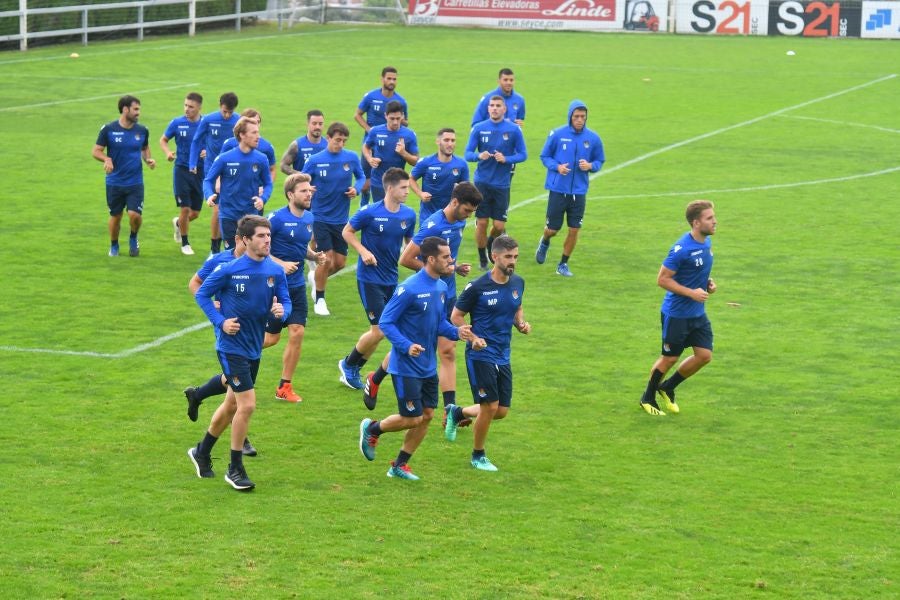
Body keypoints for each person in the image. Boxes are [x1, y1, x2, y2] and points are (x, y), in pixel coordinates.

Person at [357, 236, 475, 481]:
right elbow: (386, 322)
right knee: (412, 418)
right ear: (430, 259)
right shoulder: (409, 288)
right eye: (445, 257)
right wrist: (406, 345)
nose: (451, 260)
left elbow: (439, 322)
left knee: (428, 415)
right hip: (405, 366)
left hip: (428, 366)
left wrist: (457, 332)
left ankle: (400, 465)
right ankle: (373, 428)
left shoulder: (441, 287)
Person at [363, 182, 482, 419]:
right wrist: (436, 275)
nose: (469, 216)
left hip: (446, 293)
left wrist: (454, 267)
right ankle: (375, 378)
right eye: (467, 210)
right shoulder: (433, 225)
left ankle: (449, 411)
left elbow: (445, 259)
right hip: (426, 294)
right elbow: (406, 259)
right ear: (455, 202)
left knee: (447, 351)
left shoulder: (459, 222)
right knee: (415, 346)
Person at [188, 215, 291, 491]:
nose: (267, 240)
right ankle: (235, 468)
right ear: (245, 240)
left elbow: (286, 300)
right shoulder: (229, 270)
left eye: (268, 236)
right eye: (261, 236)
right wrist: (220, 322)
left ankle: (201, 452)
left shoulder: (275, 270)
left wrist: (282, 311)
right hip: (230, 347)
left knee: (232, 405)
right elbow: (201, 294)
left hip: (253, 347)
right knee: (247, 405)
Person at [445, 235, 530, 472]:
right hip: (480, 354)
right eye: (508, 257)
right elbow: (456, 316)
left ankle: (457, 412)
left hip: (503, 353)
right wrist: (473, 338)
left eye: (516, 257)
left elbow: (517, 306)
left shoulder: (518, 282)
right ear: (494, 257)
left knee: (500, 411)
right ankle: (478, 455)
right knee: (490, 406)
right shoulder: (477, 287)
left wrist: (521, 323)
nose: (513, 262)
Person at [338, 168, 417, 390]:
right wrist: (363, 252)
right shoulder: (369, 212)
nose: (407, 191)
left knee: (382, 331)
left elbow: (410, 243)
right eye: (403, 187)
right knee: (380, 329)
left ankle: (353, 366)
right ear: (389, 188)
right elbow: (347, 232)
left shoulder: (409, 215)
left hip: (391, 278)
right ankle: (348, 365)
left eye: (408, 187)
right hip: (369, 278)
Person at [183, 232, 258, 458]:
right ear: (239, 239)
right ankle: (239, 441)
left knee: (237, 381)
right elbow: (195, 283)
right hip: (228, 329)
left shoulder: (259, 262)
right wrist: (212, 306)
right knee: (241, 391)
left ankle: (198, 395)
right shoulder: (219, 261)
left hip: (250, 329)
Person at [639, 200, 718, 416]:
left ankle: (668, 387)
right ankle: (647, 398)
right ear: (696, 223)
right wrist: (692, 293)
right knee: (670, 358)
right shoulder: (681, 249)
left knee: (704, 356)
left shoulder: (706, 243)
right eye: (709, 218)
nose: (715, 221)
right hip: (677, 314)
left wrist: (707, 283)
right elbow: (662, 279)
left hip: (697, 313)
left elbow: (694, 272)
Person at [263, 173, 327, 402]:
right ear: (290, 194)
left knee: (297, 331)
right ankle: (236, 350)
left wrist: (313, 255)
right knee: (271, 339)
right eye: (303, 191)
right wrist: (280, 264)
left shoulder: (309, 218)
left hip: (297, 287)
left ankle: (284, 387)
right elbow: (258, 249)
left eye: (310, 190)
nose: (309, 194)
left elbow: (300, 245)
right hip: (274, 288)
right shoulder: (275, 219)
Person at [535, 100, 605, 277]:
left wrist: (590, 166)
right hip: (558, 190)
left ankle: (563, 264)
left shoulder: (593, 138)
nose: (580, 120)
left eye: (583, 116)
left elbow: (599, 160)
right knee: (553, 230)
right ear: (570, 117)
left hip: (579, 192)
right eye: (576, 116)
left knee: (574, 229)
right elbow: (544, 156)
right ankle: (545, 240)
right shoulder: (557, 134)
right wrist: (557, 167)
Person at [301, 122, 365, 316]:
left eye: (344, 140)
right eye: (337, 140)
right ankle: (320, 299)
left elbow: (361, 177)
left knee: (340, 263)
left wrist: (356, 189)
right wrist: (308, 188)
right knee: (326, 259)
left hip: (341, 219)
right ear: (328, 138)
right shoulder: (315, 160)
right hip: (320, 217)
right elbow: (302, 181)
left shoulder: (351, 157)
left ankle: (316, 278)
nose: (341, 144)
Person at [465, 95, 527, 271]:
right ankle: (482, 259)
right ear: (488, 108)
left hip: (502, 184)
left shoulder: (514, 130)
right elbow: (468, 153)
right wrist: (479, 155)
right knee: (482, 222)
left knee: (499, 226)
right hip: (482, 183)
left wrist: (506, 159)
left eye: (498, 105)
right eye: (492, 105)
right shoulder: (479, 128)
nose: (494, 108)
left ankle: (490, 242)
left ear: (504, 109)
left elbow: (523, 154)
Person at [92, 94, 156, 257]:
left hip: (135, 182)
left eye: (139, 109)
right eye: (135, 109)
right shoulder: (108, 129)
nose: (138, 112)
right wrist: (106, 159)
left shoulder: (142, 130)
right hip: (114, 182)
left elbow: (144, 148)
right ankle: (114, 245)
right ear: (125, 109)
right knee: (116, 216)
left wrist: (148, 159)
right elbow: (96, 151)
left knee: (135, 215)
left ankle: (133, 237)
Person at [203, 117, 273, 251]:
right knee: (232, 253)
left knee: (250, 252)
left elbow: (268, 183)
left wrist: (263, 199)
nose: (258, 136)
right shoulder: (224, 158)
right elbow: (208, 180)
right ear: (242, 135)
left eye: (258, 132)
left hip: (251, 216)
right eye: (254, 132)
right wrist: (209, 194)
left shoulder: (261, 158)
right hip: (228, 215)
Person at [189, 92, 239, 255]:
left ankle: (232, 246)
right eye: (225, 111)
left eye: (230, 112)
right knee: (217, 210)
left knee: (231, 210)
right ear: (220, 106)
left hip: (233, 172)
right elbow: (197, 140)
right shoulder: (209, 120)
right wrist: (192, 162)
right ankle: (214, 248)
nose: (227, 115)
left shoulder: (239, 121)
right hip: (212, 169)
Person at [354, 66, 408, 206]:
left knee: (390, 183)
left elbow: (406, 122)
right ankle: (364, 207)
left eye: (394, 79)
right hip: (371, 144)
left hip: (389, 146)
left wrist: (398, 121)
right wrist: (369, 129)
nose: (392, 81)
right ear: (382, 79)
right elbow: (357, 115)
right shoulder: (371, 96)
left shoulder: (401, 101)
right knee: (365, 184)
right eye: (389, 78)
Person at [160, 92, 204, 255]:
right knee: (185, 208)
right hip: (181, 170)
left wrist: (207, 152)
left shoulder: (206, 124)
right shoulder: (177, 123)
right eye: (185, 105)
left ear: (199, 107)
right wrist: (167, 152)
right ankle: (185, 243)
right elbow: (163, 140)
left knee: (195, 213)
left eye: (191, 106)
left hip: (200, 171)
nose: (187, 109)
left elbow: (213, 143)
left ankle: (179, 223)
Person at [361, 100, 418, 205]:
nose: (395, 122)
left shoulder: (409, 135)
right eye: (392, 118)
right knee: (379, 212)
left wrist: (403, 153)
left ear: (402, 116)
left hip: (398, 183)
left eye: (398, 118)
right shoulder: (375, 131)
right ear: (385, 116)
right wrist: (370, 159)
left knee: (395, 212)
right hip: (378, 182)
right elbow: (365, 146)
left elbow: (415, 161)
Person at [409, 127, 469, 221]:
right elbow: (411, 179)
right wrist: (420, 193)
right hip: (429, 216)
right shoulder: (426, 162)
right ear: (438, 141)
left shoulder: (461, 164)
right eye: (446, 140)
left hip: (451, 216)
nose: (450, 144)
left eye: (453, 140)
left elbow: (466, 188)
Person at [220, 108, 278, 185]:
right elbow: (219, 167)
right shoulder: (229, 144)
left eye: (258, 122)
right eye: (251, 121)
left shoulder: (267, 147)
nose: (255, 124)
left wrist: (266, 187)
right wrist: (219, 184)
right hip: (232, 189)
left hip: (256, 191)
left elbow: (272, 170)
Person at [280, 109, 327, 176]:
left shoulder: (328, 145)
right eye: (314, 123)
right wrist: (300, 175)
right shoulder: (297, 145)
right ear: (307, 124)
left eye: (320, 124)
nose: (317, 127)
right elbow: (283, 165)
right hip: (303, 183)